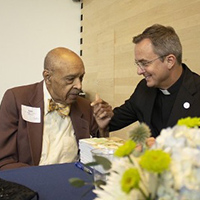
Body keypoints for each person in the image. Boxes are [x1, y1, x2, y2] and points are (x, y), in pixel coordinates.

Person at [0, 47, 107, 170]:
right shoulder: (17, 99)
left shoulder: (86, 106)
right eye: (70, 79)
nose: (79, 86)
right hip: (31, 181)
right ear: (48, 77)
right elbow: (5, 161)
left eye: (81, 78)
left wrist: (103, 128)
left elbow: (99, 158)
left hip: (75, 179)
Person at [92, 24, 200, 138]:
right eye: (138, 64)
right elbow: (113, 121)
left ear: (170, 61)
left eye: (145, 63)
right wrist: (103, 116)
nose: (139, 71)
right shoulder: (144, 89)